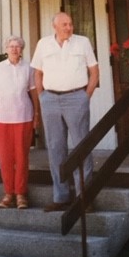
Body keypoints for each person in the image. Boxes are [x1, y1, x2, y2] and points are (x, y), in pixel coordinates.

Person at [31, 12, 99, 212]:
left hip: (76, 98)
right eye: (64, 25)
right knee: (55, 148)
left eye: (70, 24)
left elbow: (94, 72)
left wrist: (85, 96)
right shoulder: (43, 44)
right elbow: (37, 73)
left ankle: (83, 198)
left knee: (81, 146)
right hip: (50, 100)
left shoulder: (82, 42)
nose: (69, 28)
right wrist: (42, 97)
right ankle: (60, 197)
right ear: (55, 26)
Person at [0, 36, 39, 210]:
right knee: (4, 158)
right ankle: (8, 193)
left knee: (22, 157)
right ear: (6, 49)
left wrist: (36, 114)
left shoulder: (28, 68)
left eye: (18, 46)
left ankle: (21, 194)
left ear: (22, 49)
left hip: (23, 117)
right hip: (2, 119)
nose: (14, 49)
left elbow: (34, 93)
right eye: (11, 46)